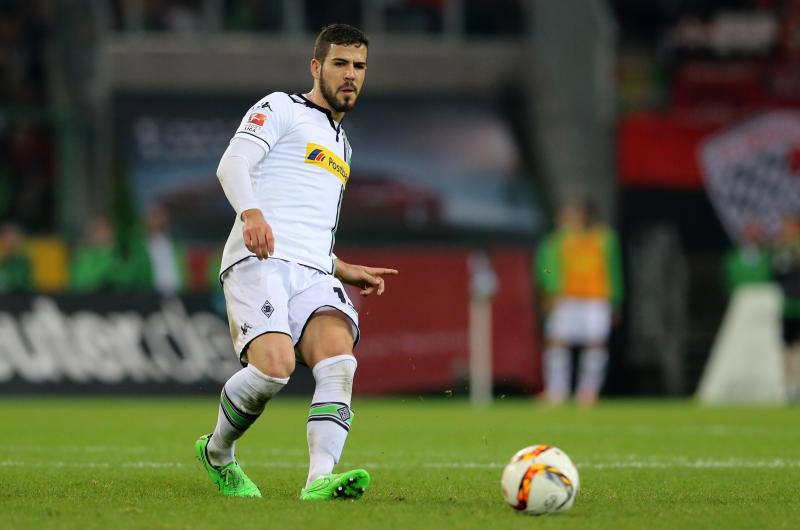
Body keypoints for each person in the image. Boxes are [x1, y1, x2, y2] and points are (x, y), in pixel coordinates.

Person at [194, 24, 398, 500]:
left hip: (312, 271)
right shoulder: (280, 107)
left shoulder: (343, 145)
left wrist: (341, 266)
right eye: (340, 64)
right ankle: (218, 452)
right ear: (316, 66)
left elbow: (308, 225)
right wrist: (251, 213)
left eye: (359, 67)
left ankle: (318, 480)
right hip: (258, 259)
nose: (350, 75)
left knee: (339, 359)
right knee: (274, 369)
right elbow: (232, 164)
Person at [535, 200, 623, 406]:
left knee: (595, 344)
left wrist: (616, 299)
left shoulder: (604, 239)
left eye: (573, 214)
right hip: (565, 298)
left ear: (586, 216)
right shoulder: (556, 240)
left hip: (595, 299)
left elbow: (614, 269)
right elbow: (545, 268)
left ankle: (588, 392)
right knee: (557, 342)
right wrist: (548, 291)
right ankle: (557, 391)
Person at [0, 221, 32, 292]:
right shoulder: (4, 263)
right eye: (5, 237)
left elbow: (21, 284)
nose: (8, 241)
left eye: (11, 237)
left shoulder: (22, 263)